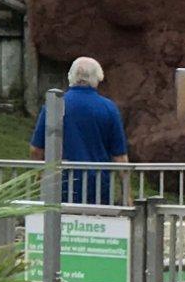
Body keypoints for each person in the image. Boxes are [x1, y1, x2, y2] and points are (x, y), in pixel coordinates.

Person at [31, 56, 130, 204]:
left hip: (59, 184)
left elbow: (36, 149)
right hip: (98, 187)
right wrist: (127, 194)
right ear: (98, 78)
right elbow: (120, 157)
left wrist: (39, 175)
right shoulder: (109, 108)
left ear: (71, 77)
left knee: (57, 218)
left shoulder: (54, 106)